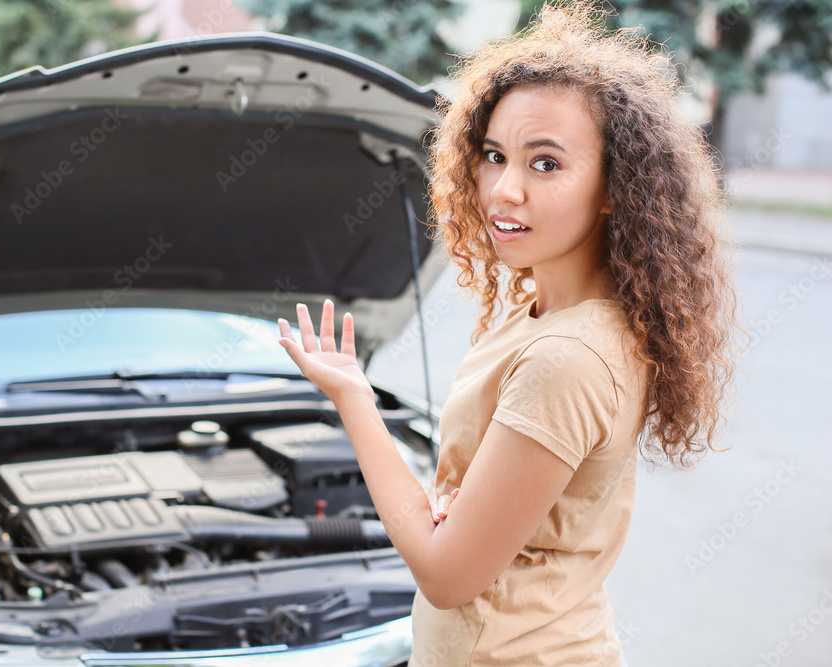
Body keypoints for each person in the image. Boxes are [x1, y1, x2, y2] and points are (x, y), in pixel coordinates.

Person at [276, 1, 738, 664]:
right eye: (494, 155)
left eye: (545, 163)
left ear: (615, 187)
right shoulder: (551, 313)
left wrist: (353, 397)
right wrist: (455, 501)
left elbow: (447, 573)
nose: (503, 190)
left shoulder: (568, 356)